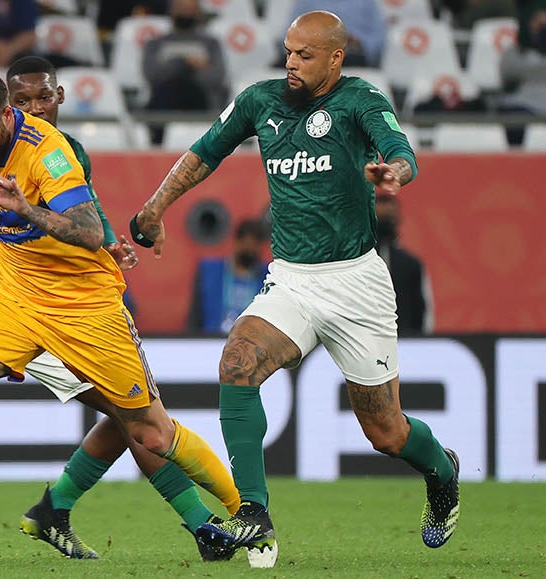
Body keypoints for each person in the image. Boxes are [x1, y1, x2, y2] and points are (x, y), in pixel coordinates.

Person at [129, 11, 460, 568]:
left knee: (386, 432)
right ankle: (253, 509)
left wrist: (396, 172)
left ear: (336, 58)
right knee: (237, 362)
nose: (290, 62)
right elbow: (205, 151)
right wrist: (156, 207)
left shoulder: (359, 99)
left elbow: (400, 148)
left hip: (356, 283)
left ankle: (442, 470)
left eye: (304, 55)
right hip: (293, 279)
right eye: (287, 51)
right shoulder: (261, 101)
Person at [0, 65, 240, 568]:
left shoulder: (50, 152)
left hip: (85, 306)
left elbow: (85, 230)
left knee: (147, 429)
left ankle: (245, 512)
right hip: (16, 297)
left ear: (6, 114)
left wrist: (24, 209)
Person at [142, 0, 228, 145]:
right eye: (181, 9)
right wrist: (180, 63)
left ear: (198, 13)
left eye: (190, 9)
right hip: (165, 100)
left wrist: (198, 68)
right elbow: (151, 75)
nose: (185, 14)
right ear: (171, 12)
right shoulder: (155, 43)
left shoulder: (211, 43)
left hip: (201, 100)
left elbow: (217, 77)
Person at [187, 217, 270, 335]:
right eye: (246, 246)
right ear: (236, 242)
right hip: (210, 342)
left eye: (255, 248)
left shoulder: (267, 277)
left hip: (250, 343)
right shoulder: (211, 271)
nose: (250, 251)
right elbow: (195, 314)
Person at [375, 192, 434, 335]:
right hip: (363, 341)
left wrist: (421, 341)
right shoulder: (355, 263)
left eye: (388, 218)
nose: (385, 223)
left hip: (405, 342)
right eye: (380, 218)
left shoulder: (411, 265)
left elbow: (423, 309)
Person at [288, 0, 387, 66]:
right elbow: (288, 35)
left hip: (354, 60)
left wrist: (359, 41)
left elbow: (379, 39)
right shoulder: (307, 2)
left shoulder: (366, 3)